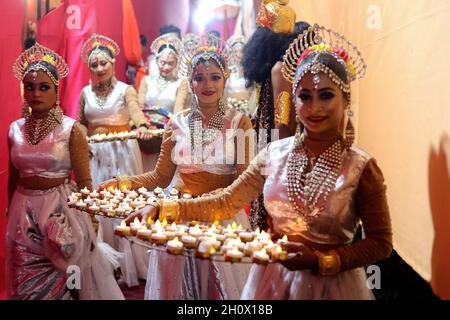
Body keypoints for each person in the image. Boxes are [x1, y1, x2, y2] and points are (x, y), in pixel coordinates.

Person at [127, 24, 393, 300]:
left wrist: (321, 261)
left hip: (334, 286)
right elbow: (226, 202)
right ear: (293, 101)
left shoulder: (361, 167)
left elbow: (381, 243)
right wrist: (165, 208)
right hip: (273, 281)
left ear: (345, 98)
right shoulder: (274, 155)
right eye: (304, 96)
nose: (314, 108)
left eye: (326, 95)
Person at [100, 44, 255, 299]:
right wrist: (122, 182)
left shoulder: (238, 121)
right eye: (199, 78)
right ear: (190, 82)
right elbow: (159, 176)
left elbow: (242, 182)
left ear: (225, 78)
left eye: (215, 77)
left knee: (217, 292)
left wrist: (213, 205)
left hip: (221, 216)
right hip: (176, 216)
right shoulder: (178, 121)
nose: (208, 84)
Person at [7, 43, 124, 300]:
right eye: (29, 87)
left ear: (56, 90)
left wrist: (92, 225)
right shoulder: (14, 129)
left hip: (61, 212)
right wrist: (9, 208)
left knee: (67, 282)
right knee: (23, 280)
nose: (35, 92)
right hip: (22, 211)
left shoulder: (71, 130)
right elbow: (14, 176)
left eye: (44, 87)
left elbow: (84, 181)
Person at [78, 34, 152, 287]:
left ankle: (129, 264)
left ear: (113, 62)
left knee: (122, 206)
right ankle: (103, 263)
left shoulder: (125, 89)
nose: (99, 69)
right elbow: (79, 124)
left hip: (121, 152)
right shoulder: (85, 92)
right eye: (94, 65)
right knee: (99, 206)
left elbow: (135, 111)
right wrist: (77, 142)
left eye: (103, 63)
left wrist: (141, 125)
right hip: (95, 154)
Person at [242, 0, 308, 230]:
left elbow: (283, 121)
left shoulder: (280, 69)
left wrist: (276, 166)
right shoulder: (282, 66)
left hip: (280, 152)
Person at [138, 34, 183, 171]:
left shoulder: (181, 83)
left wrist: (169, 130)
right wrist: (142, 125)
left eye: (170, 63)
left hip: (167, 134)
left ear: (176, 63)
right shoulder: (146, 80)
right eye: (162, 62)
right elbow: (139, 106)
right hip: (145, 133)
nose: (166, 67)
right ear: (156, 61)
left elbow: (178, 111)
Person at [224, 35, 256, 116]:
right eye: (235, 51)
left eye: (241, 51)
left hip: (247, 112)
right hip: (230, 112)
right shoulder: (227, 73)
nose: (238, 54)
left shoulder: (251, 73)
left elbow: (254, 94)